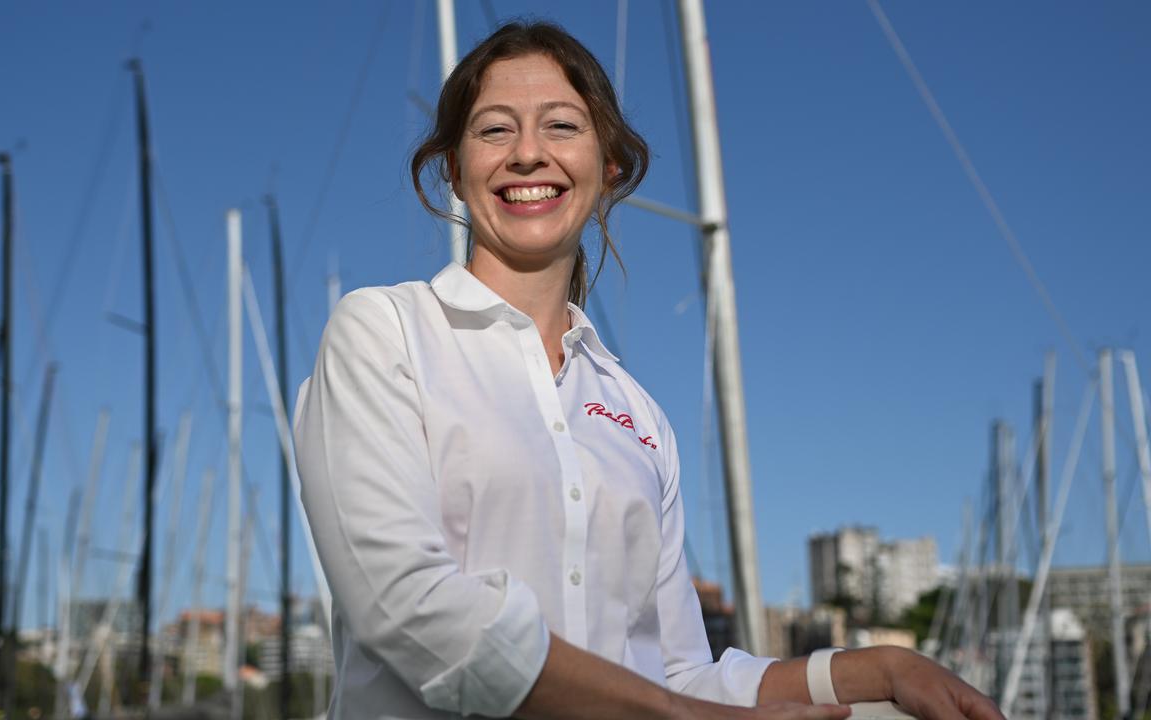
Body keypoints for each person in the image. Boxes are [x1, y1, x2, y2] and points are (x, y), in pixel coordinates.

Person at [294, 20, 1004, 720]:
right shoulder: (384, 332)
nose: (528, 153)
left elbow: (676, 675)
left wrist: (874, 668)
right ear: (454, 167)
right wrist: (672, 712)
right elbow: (404, 606)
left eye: (562, 126)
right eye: (495, 129)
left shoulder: (639, 417)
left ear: (608, 168)